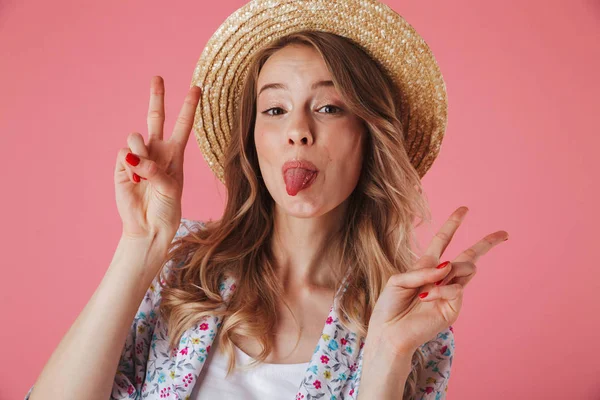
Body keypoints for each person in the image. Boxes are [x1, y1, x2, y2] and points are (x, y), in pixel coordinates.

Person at [25, 1, 509, 399]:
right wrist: (143, 242)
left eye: (328, 107)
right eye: (275, 109)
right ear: (254, 142)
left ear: (369, 136)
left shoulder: (409, 320)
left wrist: (387, 353)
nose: (298, 131)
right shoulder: (180, 269)